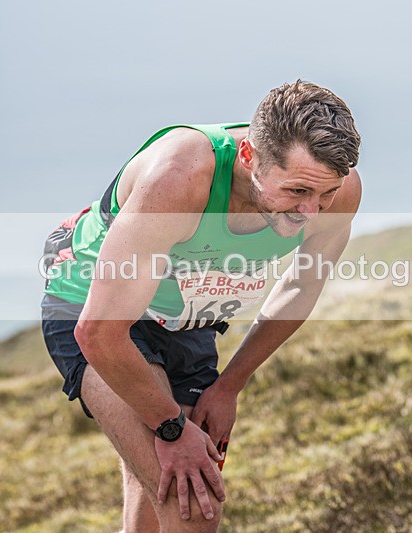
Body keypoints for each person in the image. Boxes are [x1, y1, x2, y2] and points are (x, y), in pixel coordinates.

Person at [41, 80, 361, 532]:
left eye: (324, 194)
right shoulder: (180, 177)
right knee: (192, 501)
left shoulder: (339, 191)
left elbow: (302, 284)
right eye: (296, 192)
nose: (311, 211)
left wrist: (231, 384)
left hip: (188, 320)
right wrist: (171, 427)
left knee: (158, 494)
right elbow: (97, 331)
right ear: (249, 157)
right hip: (96, 310)